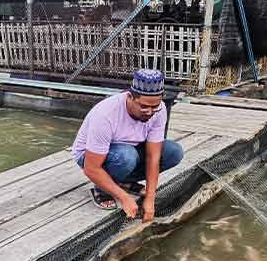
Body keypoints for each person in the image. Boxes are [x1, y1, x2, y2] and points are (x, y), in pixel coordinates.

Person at [72, 69, 184, 223]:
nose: (150, 112)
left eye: (155, 107)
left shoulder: (160, 110)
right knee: (126, 157)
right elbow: (90, 168)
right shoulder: (105, 115)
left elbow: (153, 156)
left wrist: (150, 198)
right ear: (130, 97)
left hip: (130, 150)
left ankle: (122, 181)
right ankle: (101, 190)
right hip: (91, 158)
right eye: (144, 107)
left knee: (174, 152)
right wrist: (124, 198)